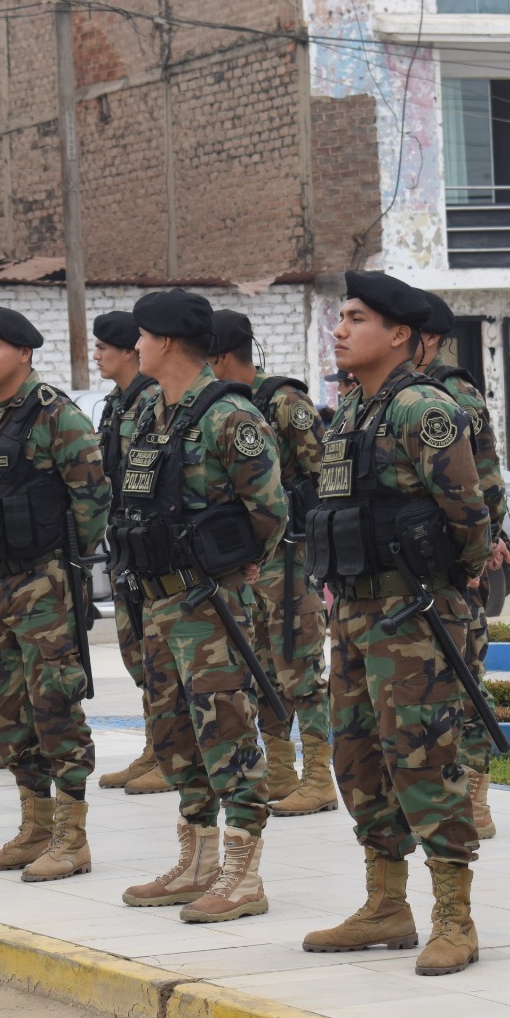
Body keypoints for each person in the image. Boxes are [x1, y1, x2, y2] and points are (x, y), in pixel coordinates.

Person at [301, 271, 489, 976]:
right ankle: (386, 903)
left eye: (355, 318)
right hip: (353, 611)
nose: (341, 329)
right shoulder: (351, 410)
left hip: (412, 615)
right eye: (341, 317)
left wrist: (450, 582)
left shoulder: (421, 408)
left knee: (423, 758)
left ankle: (455, 916)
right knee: (356, 757)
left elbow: (470, 515)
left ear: (400, 335)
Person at [111, 288, 286, 923]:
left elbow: (269, 511)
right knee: (172, 731)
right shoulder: (144, 413)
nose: (134, 347)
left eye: (140, 336)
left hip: (211, 604)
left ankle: (243, 871)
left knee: (226, 729)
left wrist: (233, 567)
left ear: (164, 341)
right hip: (154, 601)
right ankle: (198, 858)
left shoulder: (229, 417)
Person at [0, 307, 110, 881]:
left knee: (54, 705)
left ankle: (71, 837)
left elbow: (91, 500)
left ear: (23, 354)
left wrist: (61, 567)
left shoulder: (56, 415)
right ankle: (34, 827)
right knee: (6, 706)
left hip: (43, 581)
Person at [205, 308, 336, 816]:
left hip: (291, 557)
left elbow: (323, 476)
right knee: (259, 665)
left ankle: (319, 774)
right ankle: (280, 769)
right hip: (248, 561)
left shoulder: (283, 401)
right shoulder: (219, 406)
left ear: (218, 355)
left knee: (299, 662)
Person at [415, 292, 510, 839]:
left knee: (467, 675)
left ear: (427, 339)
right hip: (417, 566)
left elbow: (486, 474)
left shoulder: (455, 392)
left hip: (458, 563)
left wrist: (484, 543)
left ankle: (476, 790)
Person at [89, 310, 168, 794]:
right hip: (123, 544)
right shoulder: (117, 403)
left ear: (128, 352)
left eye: (103, 347)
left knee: (159, 655)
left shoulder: (153, 402)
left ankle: (172, 752)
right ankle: (156, 745)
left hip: (149, 544)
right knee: (137, 652)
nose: (96, 355)